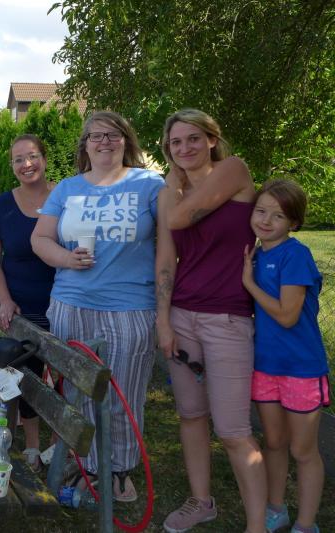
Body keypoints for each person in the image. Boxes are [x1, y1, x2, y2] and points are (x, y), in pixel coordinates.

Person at [31, 111, 164, 502]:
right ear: (85, 145)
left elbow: (176, 236)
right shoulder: (67, 188)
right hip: (71, 304)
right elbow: (40, 239)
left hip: (130, 308)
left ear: (126, 141)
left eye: (113, 134)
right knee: (78, 392)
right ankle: (86, 464)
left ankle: (120, 470)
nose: (104, 141)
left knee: (123, 394)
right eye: (96, 136)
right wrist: (66, 258)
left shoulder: (149, 184)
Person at [155, 108, 266, 533]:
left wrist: (172, 184)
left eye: (193, 139)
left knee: (234, 430)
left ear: (212, 140)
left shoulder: (233, 170)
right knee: (190, 415)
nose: (184, 148)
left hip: (228, 318)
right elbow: (166, 259)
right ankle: (201, 502)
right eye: (175, 142)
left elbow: (180, 219)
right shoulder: (168, 193)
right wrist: (164, 320)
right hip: (183, 315)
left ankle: (257, 525)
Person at [242, 180, 329, 533]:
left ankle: (306, 524)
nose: (266, 220)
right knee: (274, 443)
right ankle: (275, 509)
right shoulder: (256, 255)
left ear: (293, 222)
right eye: (260, 211)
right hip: (266, 366)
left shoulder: (295, 255)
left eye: (278, 216)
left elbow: (287, 315)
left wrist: (249, 284)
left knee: (303, 451)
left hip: (301, 369)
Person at [0, 133, 55, 470]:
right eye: (18, 159)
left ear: (44, 158)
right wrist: (5, 300)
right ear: (12, 165)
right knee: (26, 378)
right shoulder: (0, 207)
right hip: (22, 311)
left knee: (66, 381)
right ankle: (33, 446)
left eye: (33, 156)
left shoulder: (65, 197)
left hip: (65, 307)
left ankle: (59, 447)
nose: (27, 164)